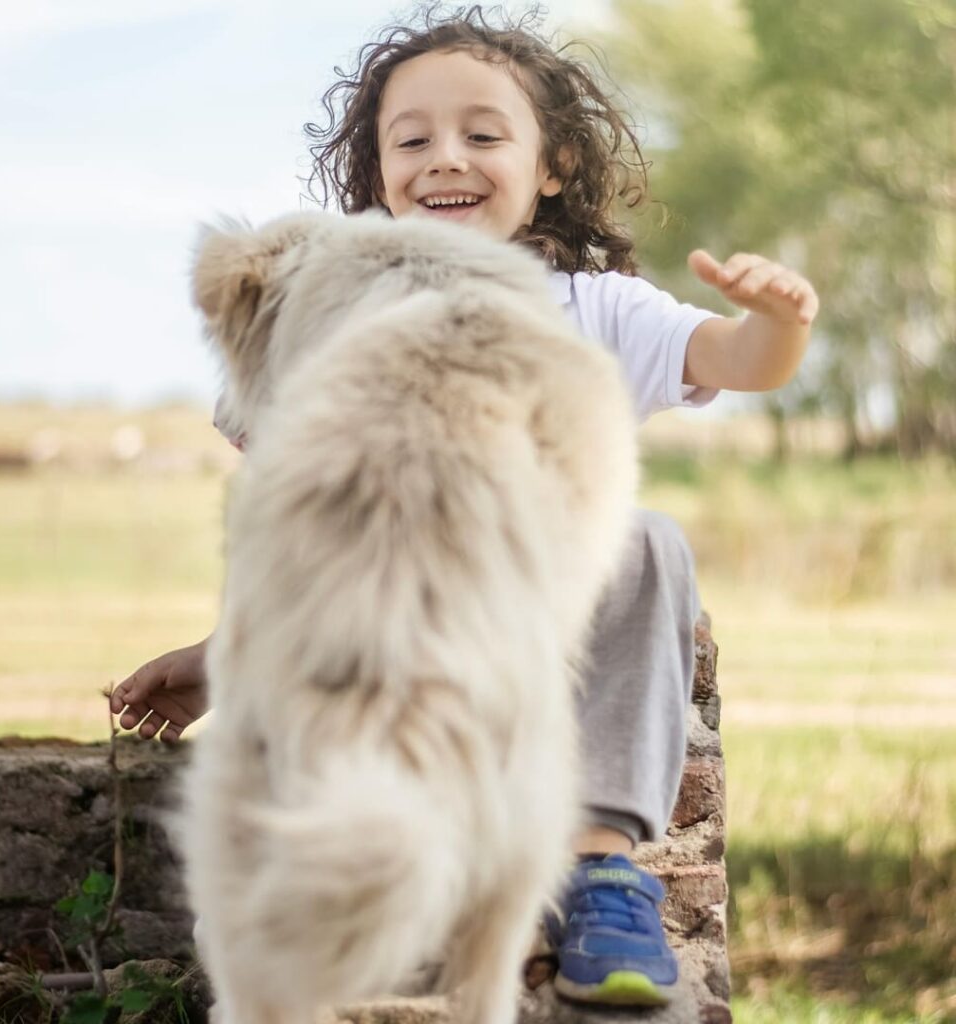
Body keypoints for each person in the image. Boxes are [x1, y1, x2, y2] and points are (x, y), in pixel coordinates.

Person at [110, 6, 818, 1008]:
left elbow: (738, 362)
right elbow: (295, 528)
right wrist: (228, 653)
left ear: (552, 166)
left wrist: (777, 322)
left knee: (649, 542)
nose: (447, 157)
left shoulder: (596, 305)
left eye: (483, 135)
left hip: (542, 631)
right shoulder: (330, 306)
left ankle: (599, 864)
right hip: (390, 662)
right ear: (376, 178)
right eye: (413, 139)